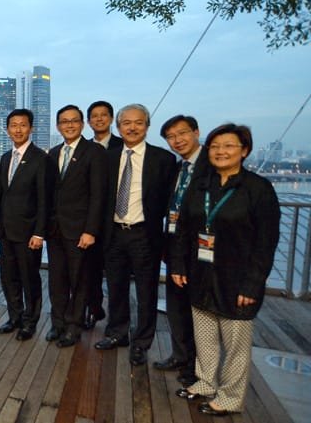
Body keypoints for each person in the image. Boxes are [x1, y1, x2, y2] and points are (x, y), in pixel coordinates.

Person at [170, 124, 279, 417]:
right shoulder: (201, 185)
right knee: (204, 333)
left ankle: (230, 397)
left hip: (237, 277)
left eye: (229, 146)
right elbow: (183, 230)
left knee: (235, 344)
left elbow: (266, 242)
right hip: (201, 272)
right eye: (215, 146)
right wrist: (179, 264)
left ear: (244, 151)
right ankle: (205, 382)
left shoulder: (258, 189)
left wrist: (253, 284)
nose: (221, 152)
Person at [94, 104, 175, 367]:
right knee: (115, 288)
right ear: (118, 127)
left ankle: (142, 342)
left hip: (144, 235)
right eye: (126, 123)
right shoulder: (108, 157)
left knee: (146, 292)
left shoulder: (163, 159)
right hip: (114, 234)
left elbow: (169, 201)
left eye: (138, 122)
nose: (132, 127)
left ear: (147, 126)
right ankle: (118, 333)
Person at [46, 105, 108, 347]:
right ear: (58, 126)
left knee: (80, 281)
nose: (69, 125)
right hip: (55, 230)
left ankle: (74, 326)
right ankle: (58, 323)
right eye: (64, 121)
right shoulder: (52, 153)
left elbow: (98, 195)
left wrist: (90, 230)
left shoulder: (94, 152)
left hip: (80, 230)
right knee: (57, 280)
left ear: (82, 124)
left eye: (74, 121)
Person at [154, 115, 209, 385]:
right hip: (175, 248)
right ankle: (181, 356)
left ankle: (200, 369)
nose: (178, 140)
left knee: (199, 311)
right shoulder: (177, 168)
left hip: (202, 252)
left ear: (197, 132)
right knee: (176, 308)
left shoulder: (212, 166)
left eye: (182, 133)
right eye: (171, 137)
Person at [0, 109, 56, 341]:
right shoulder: (4, 158)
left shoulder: (41, 158)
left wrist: (39, 232)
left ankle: (30, 322)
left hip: (29, 232)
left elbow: (45, 199)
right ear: (8, 128)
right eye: (13, 125)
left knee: (29, 279)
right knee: (8, 277)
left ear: (31, 128)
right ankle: (15, 317)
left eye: (23, 125)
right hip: (6, 231)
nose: (18, 129)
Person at [83, 100, 123, 330]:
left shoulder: (123, 145)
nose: (99, 119)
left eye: (103, 115)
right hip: (89, 221)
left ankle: (118, 325)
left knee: (118, 277)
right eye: (94, 116)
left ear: (111, 119)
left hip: (117, 221)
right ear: (88, 122)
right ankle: (93, 309)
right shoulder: (85, 149)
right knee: (90, 272)